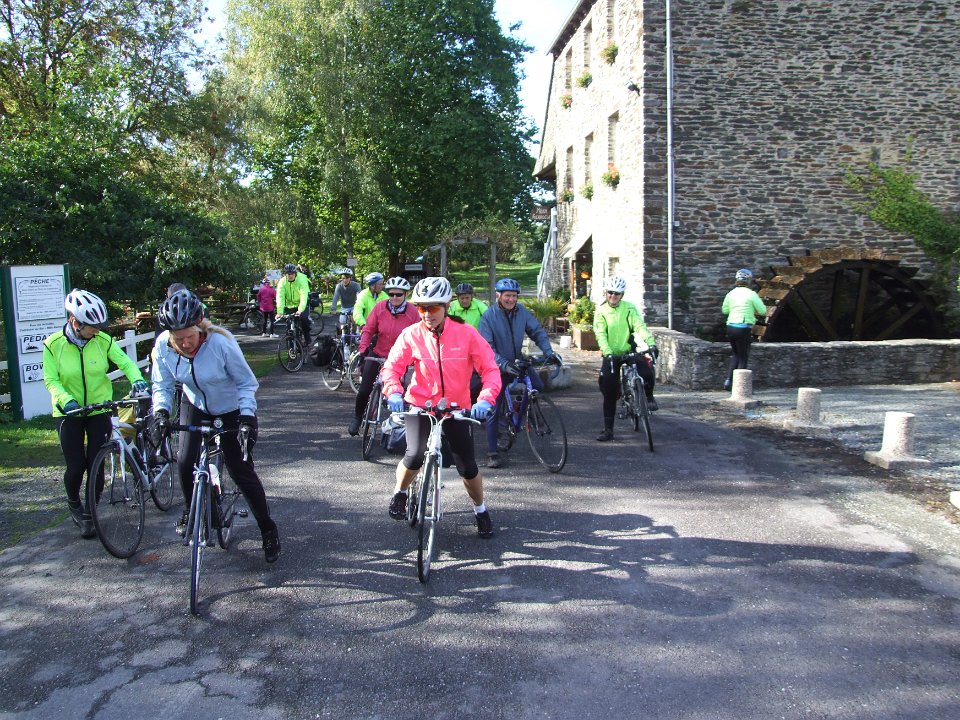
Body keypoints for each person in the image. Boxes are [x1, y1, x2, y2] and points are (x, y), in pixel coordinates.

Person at [151, 290, 281, 563]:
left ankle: (267, 529)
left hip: (231, 408)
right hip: (195, 404)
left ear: (200, 327)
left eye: (189, 336)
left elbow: (246, 382)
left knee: (240, 470)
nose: (185, 344)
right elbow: (162, 384)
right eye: (178, 339)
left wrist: (247, 417)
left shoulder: (221, 343)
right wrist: (161, 412)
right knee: (184, 461)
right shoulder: (163, 346)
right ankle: (194, 512)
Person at [381, 277, 501, 538]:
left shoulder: (466, 333)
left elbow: (490, 370)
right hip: (420, 404)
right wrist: (394, 392)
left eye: (433, 307)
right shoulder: (411, 334)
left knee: (467, 466)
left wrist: (485, 399)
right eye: (421, 308)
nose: (427, 314)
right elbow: (391, 368)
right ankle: (400, 493)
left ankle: (480, 510)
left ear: (446, 306)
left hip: (456, 408)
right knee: (414, 455)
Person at [43, 289, 148, 538]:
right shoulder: (53, 345)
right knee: (76, 466)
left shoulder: (103, 341)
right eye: (92, 326)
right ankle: (74, 504)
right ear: (75, 322)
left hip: (98, 409)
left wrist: (137, 378)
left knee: (96, 464)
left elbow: (125, 362)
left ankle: (90, 513)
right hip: (68, 412)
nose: (97, 330)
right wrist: (65, 399)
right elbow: (51, 380)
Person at [477, 278, 556, 468]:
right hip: (496, 367)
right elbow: (486, 348)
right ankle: (492, 453)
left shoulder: (521, 312)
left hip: (517, 361)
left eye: (514, 296)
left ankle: (522, 412)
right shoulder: (489, 316)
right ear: (498, 295)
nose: (511, 299)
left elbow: (537, 331)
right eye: (507, 296)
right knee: (493, 409)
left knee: (537, 386)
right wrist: (503, 364)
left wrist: (549, 352)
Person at [347, 277, 419, 436]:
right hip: (378, 353)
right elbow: (368, 330)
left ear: (405, 295)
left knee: (405, 392)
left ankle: (403, 427)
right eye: (391, 294)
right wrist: (363, 351)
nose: (394, 297)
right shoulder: (380, 307)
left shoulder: (413, 312)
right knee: (364, 389)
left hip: (400, 358)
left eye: (398, 294)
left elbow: (419, 336)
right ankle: (357, 418)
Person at [593, 276, 659, 441]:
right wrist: (607, 353)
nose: (613, 296)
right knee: (609, 391)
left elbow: (639, 326)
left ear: (622, 295)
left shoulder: (628, 308)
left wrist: (651, 343)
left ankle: (649, 396)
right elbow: (600, 334)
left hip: (629, 350)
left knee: (646, 369)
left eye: (617, 293)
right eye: (610, 292)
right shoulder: (601, 311)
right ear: (606, 292)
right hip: (611, 355)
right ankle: (608, 430)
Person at [722, 268, 767, 390]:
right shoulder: (751, 294)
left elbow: (724, 310)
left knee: (736, 354)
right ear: (749, 281)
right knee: (743, 357)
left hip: (730, 327)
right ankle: (740, 388)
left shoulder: (731, 294)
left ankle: (728, 381)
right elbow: (763, 311)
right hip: (743, 327)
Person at [276, 262, 312, 342]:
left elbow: (303, 295)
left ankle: (307, 338)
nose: (290, 275)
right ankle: (291, 346)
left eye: (292, 273)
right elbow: (280, 297)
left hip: (302, 304)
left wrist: (300, 309)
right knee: (289, 326)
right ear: (285, 274)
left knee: (304, 320)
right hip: (290, 305)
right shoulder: (282, 282)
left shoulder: (301, 279)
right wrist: (280, 312)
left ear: (295, 273)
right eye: (288, 274)